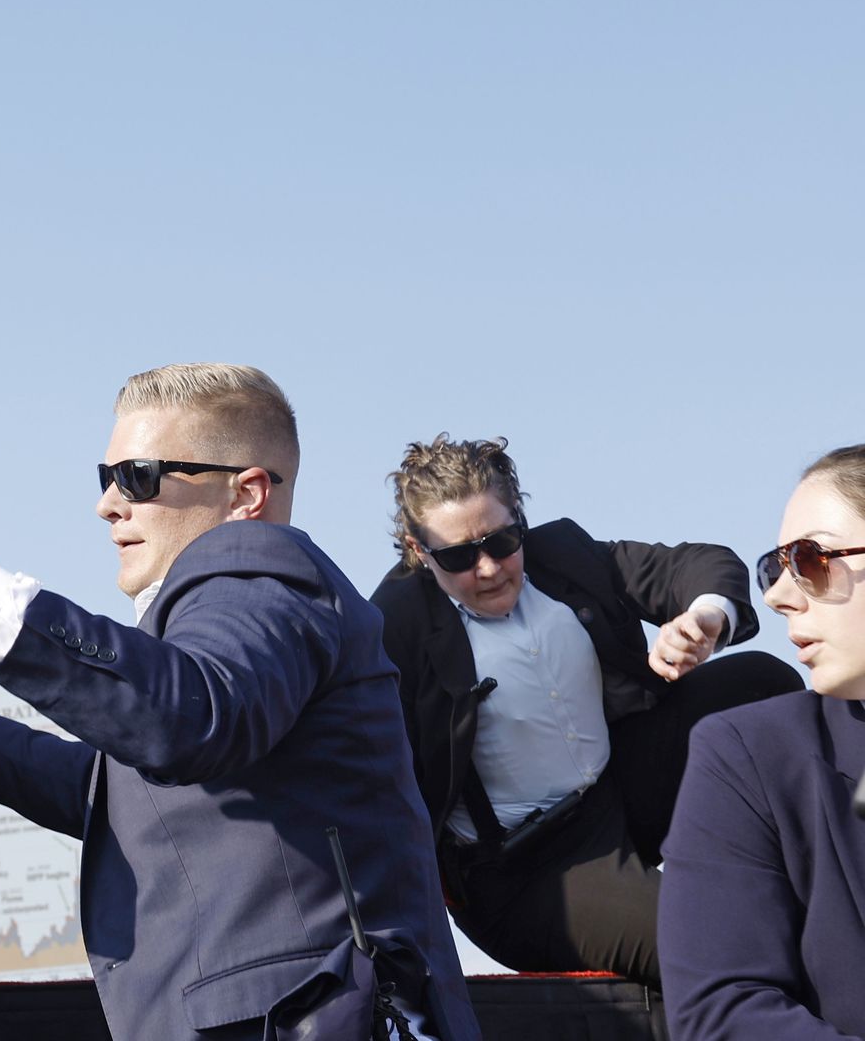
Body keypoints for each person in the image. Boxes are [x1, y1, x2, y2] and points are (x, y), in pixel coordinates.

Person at [0, 364, 479, 1041]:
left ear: (247, 495)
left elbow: (187, 718)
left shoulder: (263, 571)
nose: (109, 503)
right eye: (107, 477)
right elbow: (111, 791)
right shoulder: (222, 633)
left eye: (140, 477)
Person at [370, 435, 801, 986]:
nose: (488, 568)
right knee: (721, 942)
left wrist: (705, 619)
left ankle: (774, 865)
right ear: (418, 550)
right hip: (526, 873)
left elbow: (698, 565)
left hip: (615, 795)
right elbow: (362, 784)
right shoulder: (392, 626)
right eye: (458, 556)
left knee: (762, 684)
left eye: (502, 541)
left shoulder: (562, 554)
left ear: (519, 518)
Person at [659, 445, 865, 1040]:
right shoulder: (748, 757)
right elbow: (720, 1011)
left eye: (810, 560)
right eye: (775, 568)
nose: (777, 595)